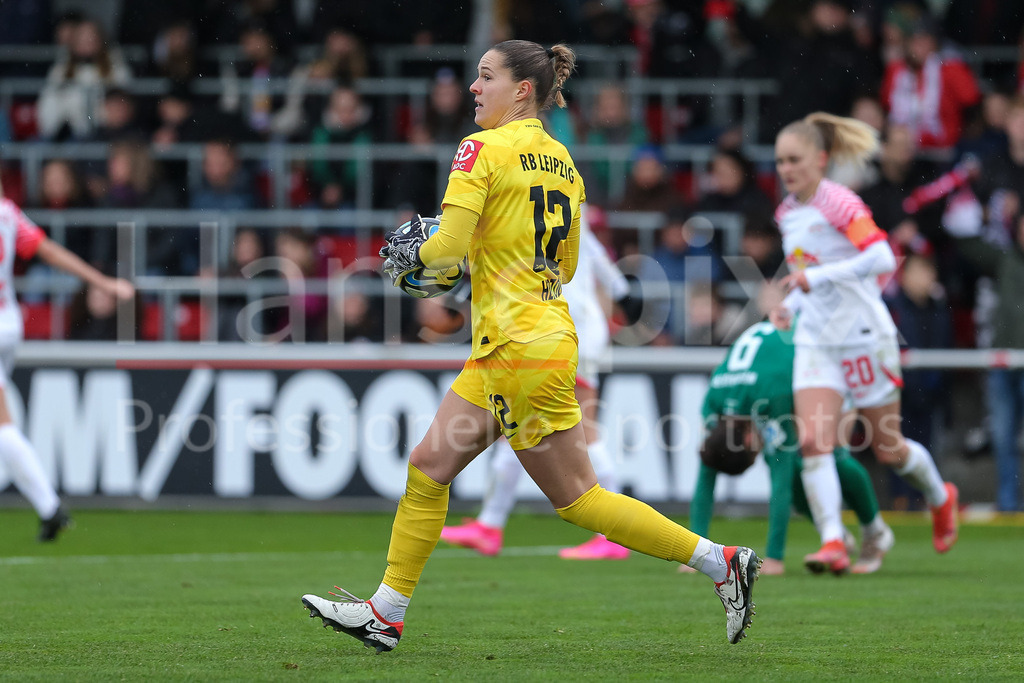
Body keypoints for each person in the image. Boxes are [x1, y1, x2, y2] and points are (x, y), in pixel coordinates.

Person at [301, 40, 762, 650]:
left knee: (578, 499)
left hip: (517, 346)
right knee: (428, 467)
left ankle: (719, 562)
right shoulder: (564, 163)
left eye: (485, 76)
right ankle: (386, 612)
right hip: (528, 339)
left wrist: (412, 264)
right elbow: (567, 269)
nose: (473, 87)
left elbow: (443, 251)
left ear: (522, 90)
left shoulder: (479, 150)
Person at [769, 112, 959, 575]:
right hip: (818, 340)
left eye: (794, 160)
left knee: (888, 447)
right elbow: (804, 269)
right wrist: (790, 306)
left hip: (862, 337)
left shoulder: (839, 202)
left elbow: (879, 256)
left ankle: (940, 495)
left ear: (820, 159)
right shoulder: (786, 213)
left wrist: (814, 277)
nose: (785, 169)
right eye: (779, 162)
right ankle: (833, 539)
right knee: (813, 439)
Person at [439, 212, 633, 560]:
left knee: (583, 429)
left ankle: (614, 536)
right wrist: (622, 291)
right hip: (565, 324)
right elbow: (593, 251)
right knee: (514, 422)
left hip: (567, 325)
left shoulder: (528, 196)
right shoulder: (556, 194)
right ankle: (490, 523)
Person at [690, 321, 894, 576]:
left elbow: (780, 479)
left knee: (829, 455)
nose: (760, 450)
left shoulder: (765, 398)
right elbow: (708, 466)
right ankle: (835, 536)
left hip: (828, 356)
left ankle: (874, 531)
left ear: (751, 441)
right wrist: (694, 555)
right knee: (803, 464)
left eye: (755, 454)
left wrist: (774, 557)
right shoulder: (715, 404)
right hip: (788, 368)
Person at [0, 180, 134, 539]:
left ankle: (49, 506)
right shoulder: (8, 212)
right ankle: (46, 506)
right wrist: (101, 281)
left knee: (2, 426)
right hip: (8, 324)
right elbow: (51, 252)